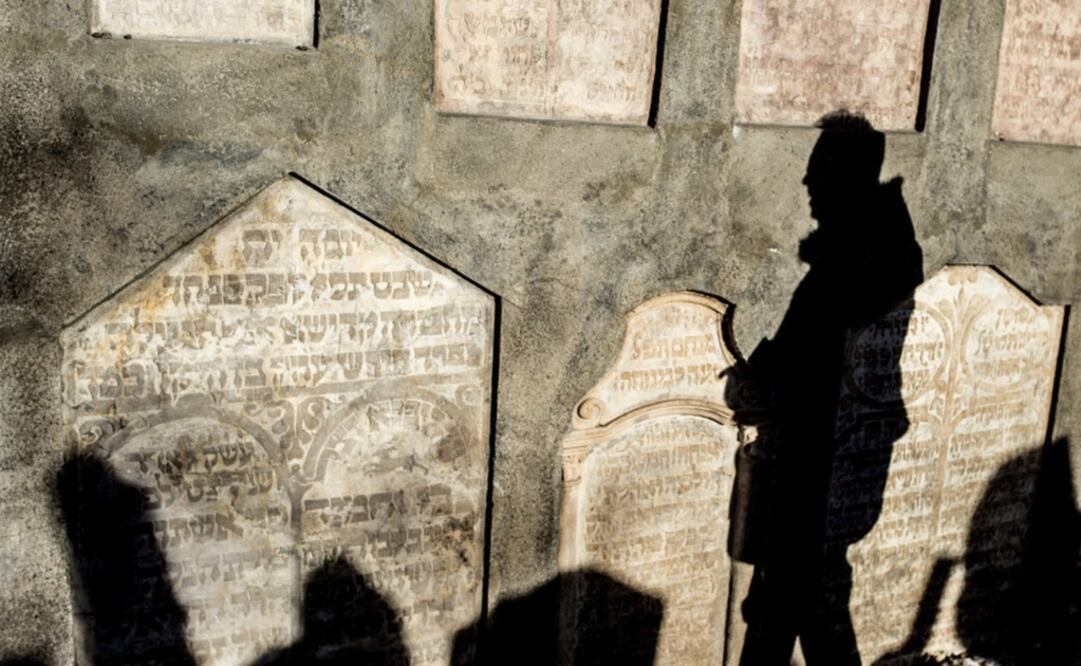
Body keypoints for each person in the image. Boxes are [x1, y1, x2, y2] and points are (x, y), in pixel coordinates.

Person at [732, 110, 924, 665]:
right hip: (838, 470)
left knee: (785, 605)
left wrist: (756, 379)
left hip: (813, 469)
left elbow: (808, 357)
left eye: (820, 168)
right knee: (807, 606)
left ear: (848, 177)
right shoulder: (884, 252)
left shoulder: (846, 266)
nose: (807, 182)